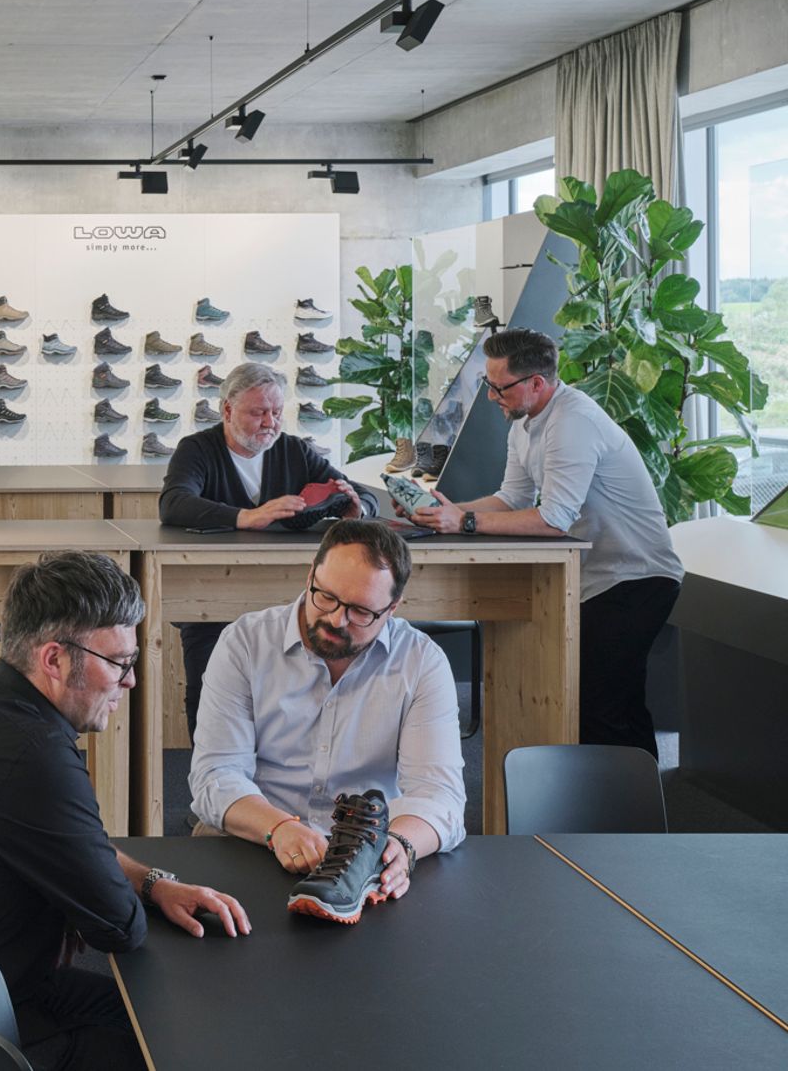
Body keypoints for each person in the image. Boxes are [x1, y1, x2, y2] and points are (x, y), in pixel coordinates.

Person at [0, 551, 250, 1071]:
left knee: (163, 1018)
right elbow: (120, 928)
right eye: (119, 662)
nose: (130, 681)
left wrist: (149, 882)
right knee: (183, 1045)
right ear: (54, 659)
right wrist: (90, 897)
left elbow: (84, 856)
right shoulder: (31, 758)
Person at [399, 327, 684, 755]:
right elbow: (510, 498)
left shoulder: (573, 422)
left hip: (636, 578)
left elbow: (552, 520)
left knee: (607, 705)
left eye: (500, 387)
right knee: (595, 701)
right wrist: (446, 511)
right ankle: (602, 806)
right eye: (487, 385)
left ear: (536, 383)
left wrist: (466, 523)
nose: (492, 396)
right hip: (593, 578)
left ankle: (633, 813)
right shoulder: (526, 421)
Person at [190, 520, 465, 894]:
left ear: (393, 607)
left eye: (361, 612)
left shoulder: (421, 662)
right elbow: (216, 775)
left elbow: (439, 793)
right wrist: (280, 827)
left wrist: (400, 846)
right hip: (254, 836)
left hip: (366, 857)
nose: (337, 620)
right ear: (310, 577)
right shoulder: (245, 643)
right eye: (326, 597)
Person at [159, 361, 375, 739]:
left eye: (276, 412)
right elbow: (174, 503)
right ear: (227, 410)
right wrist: (247, 516)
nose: (270, 422)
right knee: (211, 699)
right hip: (211, 600)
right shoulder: (196, 449)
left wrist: (358, 509)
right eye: (258, 413)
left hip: (283, 599)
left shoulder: (292, 450)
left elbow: (357, 491)